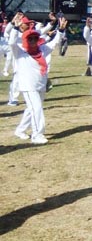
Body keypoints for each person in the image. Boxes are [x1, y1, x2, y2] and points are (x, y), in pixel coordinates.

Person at [10, 14, 64, 144]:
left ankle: (20, 130)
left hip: (41, 84)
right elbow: (12, 42)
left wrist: (61, 31)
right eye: (30, 38)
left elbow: (54, 43)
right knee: (37, 109)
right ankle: (37, 135)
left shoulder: (41, 49)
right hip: (28, 86)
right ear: (24, 39)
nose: (33, 40)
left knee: (32, 109)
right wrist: (15, 28)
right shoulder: (20, 51)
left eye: (35, 37)